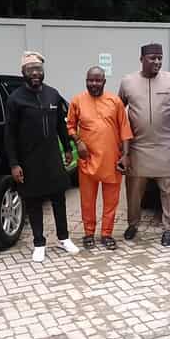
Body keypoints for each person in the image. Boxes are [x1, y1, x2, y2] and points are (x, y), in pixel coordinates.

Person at [4, 51, 80, 262]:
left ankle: (64, 238)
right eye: (30, 70)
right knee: (34, 201)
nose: (35, 73)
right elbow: (9, 134)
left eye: (38, 69)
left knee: (59, 198)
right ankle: (39, 243)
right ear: (23, 72)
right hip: (29, 160)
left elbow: (61, 126)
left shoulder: (52, 94)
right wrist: (14, 164)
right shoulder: (15, 99)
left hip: (52, 157)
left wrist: (67, 148)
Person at [118, 43, 170, 246]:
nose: (157, 62)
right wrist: (122, 149)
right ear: (142, 59)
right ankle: (132, 224)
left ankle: (169, 228)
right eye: (152, 58)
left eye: (160, 58)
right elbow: (118, 112)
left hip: (165, 146)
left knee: (169, 191)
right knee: (134, 191)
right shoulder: (128, 82)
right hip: (137, 147)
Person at [66, 66, 133, 250]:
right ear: (86, 81)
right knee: (87, 201)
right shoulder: (77, 101)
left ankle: (106, 233)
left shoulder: (115, 101)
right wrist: (78, 141)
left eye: (97, 80)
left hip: (112, 160)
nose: (94, 84)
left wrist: (126, 155)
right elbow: (70, 125)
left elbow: (125, 129)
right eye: (90, 80)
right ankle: (88, 233)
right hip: (87, 160)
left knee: (111, 201)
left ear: (104, 81)